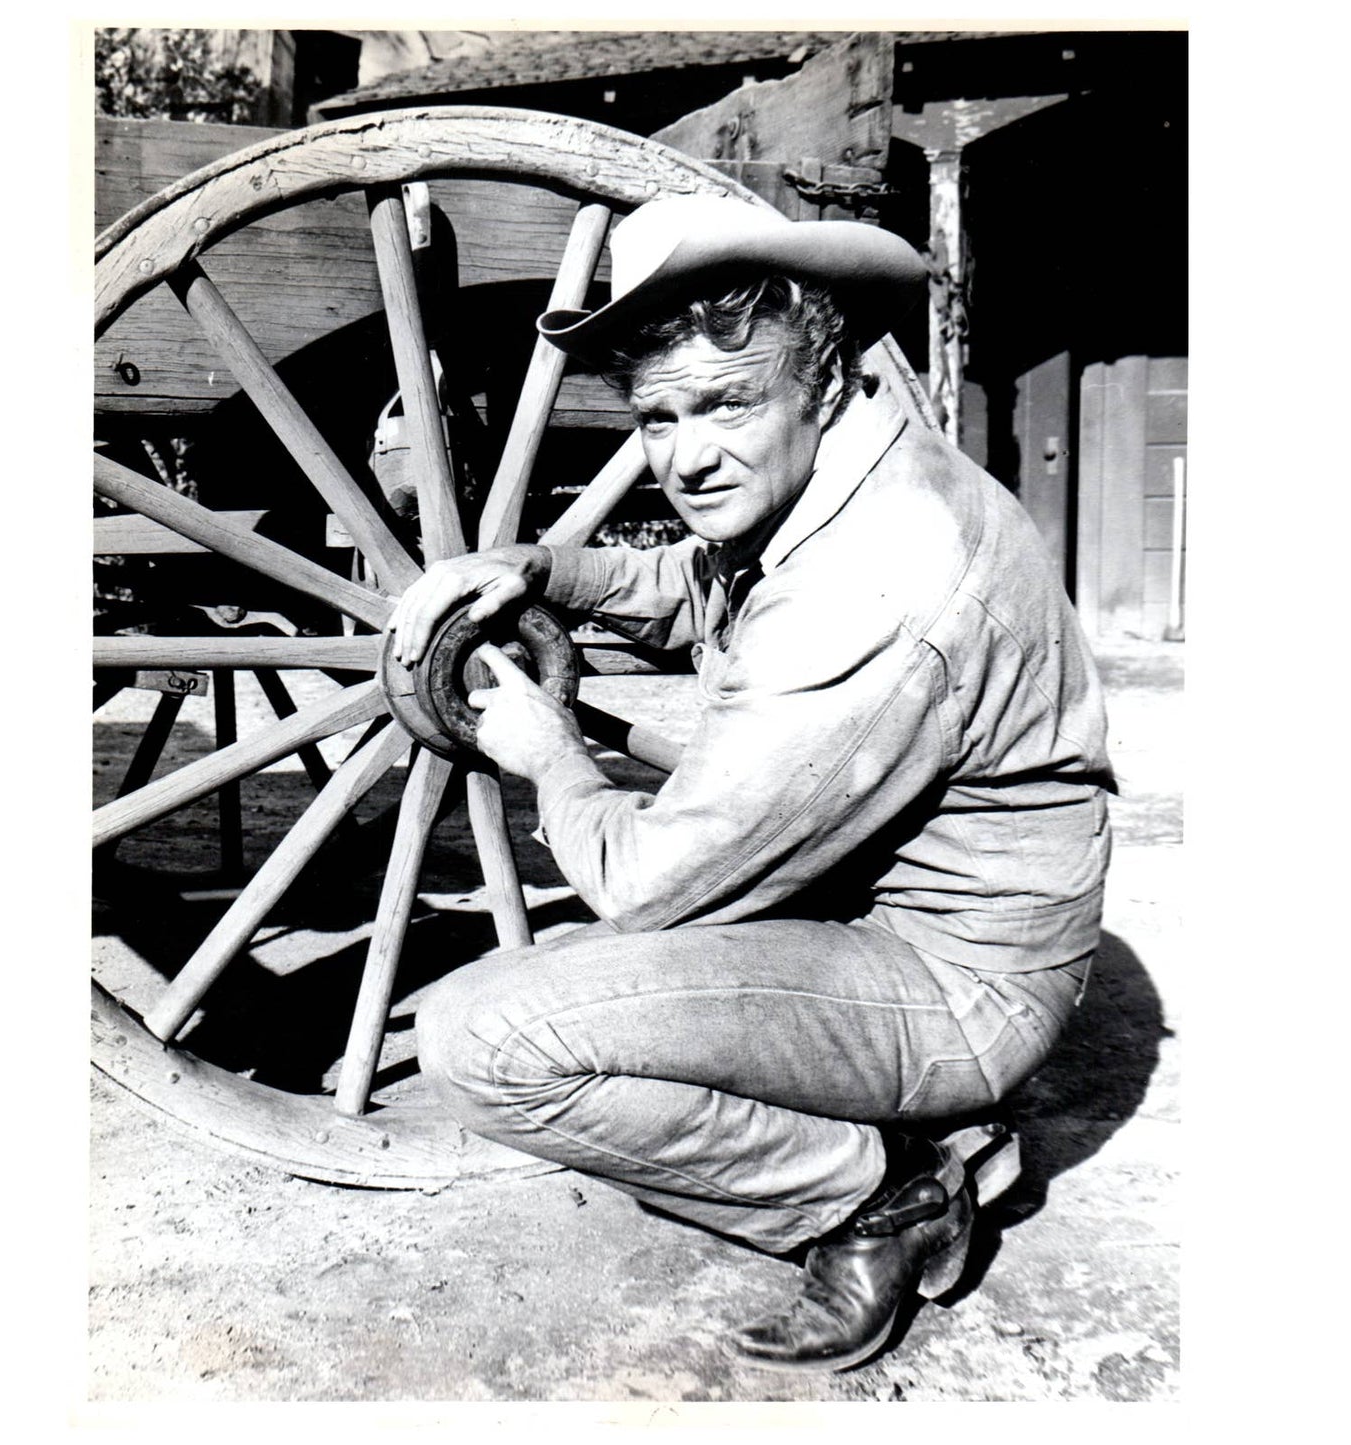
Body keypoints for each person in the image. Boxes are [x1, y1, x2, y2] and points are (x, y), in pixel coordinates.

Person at [397, 195, 1113, 1372]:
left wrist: (550, 751)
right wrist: (541, 567)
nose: (683, 456)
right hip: (879, 912)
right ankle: (881, 1140)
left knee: (482, 1035)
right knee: (566, 994)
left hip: (955, 982)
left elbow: (646, 886)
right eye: (656, 417)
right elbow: (700, 578)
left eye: (726, 402)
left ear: (819, 382)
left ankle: (878, 1196)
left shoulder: (875, 581)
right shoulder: (850, 463)